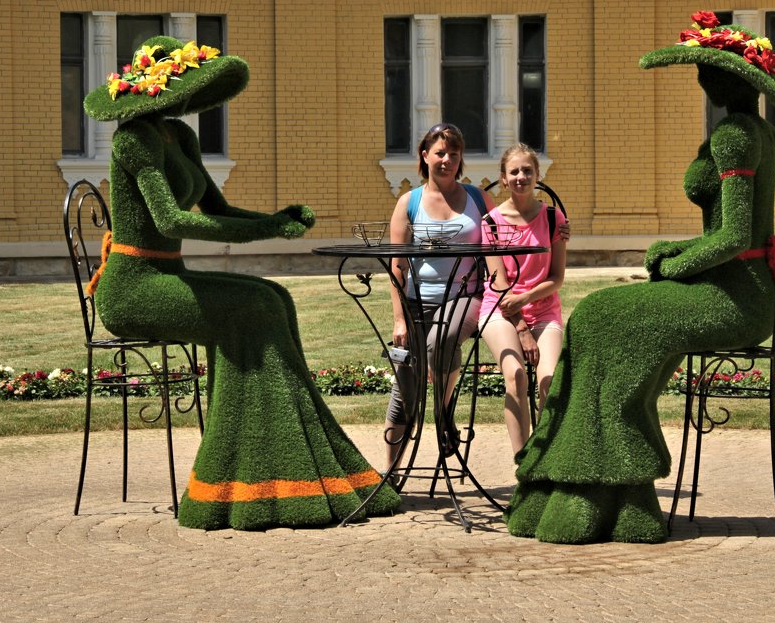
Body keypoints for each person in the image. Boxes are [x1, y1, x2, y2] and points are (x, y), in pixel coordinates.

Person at [506, 12, 775, 544]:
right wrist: (678, 249)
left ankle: (600, 492)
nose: (700, 79)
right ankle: (622, 499)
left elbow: (735, 237)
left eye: (707, 70)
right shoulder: (755, 130)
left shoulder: (737, 136)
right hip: (738, 287)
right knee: (603, 315)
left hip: (735, 299)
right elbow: (733, 235)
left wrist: (673, 262)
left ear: (730, 80)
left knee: (602, 317)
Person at [84, 36, 398, 531]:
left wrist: (272, 218)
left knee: (275, 296)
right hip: (132, 288)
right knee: (249, 308)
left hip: (169, 276)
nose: (192, 97)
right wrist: (265, 230)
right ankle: (235, 479)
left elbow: (219, 211)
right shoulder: (133, 140)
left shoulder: (180, 138)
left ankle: (299, 460)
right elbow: (170, 222)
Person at [383, 123, 493, 469]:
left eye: (454, 154)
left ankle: (443, 414)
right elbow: (396, 265)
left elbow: (508, 229)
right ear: (425, 155)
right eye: (440, 152)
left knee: (439, 340)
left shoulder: (478, 198)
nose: (447, 159)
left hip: (465, 296)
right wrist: (400, 318)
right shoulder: (409, 202)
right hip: (417, 302)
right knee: (403, 391)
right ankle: (391, 474)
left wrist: (554, 224)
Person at [478, 143, 567, 457]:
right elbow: (499, 285)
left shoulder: (554, 219)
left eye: (527, 170)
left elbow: (557, 277)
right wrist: (522, 329)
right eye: (513, 171)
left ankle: (546, 459)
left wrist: (528, 297)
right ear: (503, 178)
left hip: (543, 308)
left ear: (537, 175)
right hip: (501, 311)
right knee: (515, 375)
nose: (521, 176)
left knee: (549, 381)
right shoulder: (490, 222)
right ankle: (523, 464)